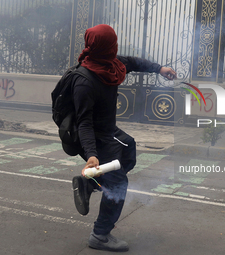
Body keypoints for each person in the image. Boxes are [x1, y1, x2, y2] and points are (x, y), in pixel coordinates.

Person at [71, 24, 176, 252]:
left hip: (108, 131)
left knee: (128, 148)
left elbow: (135, 63)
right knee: (118, 183)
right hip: (92, 137)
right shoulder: (85, 81)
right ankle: (100, 234)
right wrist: (91, 155)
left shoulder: (112, 64)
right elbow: (84, 123)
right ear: (105, 47)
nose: (115, 47)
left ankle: (92, 182)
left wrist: (159, 68)